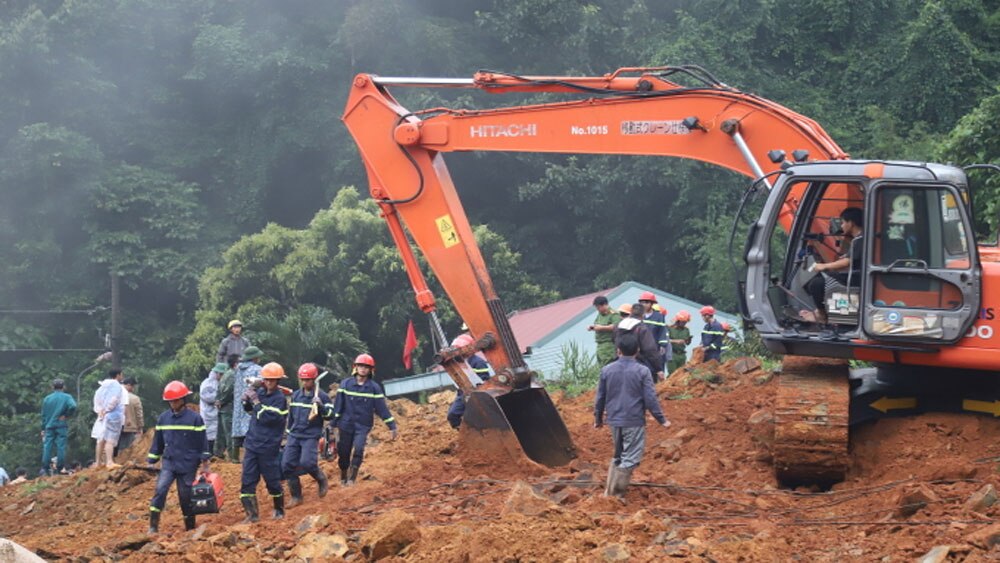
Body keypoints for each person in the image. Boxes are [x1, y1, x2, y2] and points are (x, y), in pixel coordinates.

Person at [594, 333, 669, 498]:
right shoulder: (643, 371)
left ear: (618, 350)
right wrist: (661, 419)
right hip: (633, 420)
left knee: (618, 455)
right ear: (637, 350)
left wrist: (598, 418)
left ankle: (608, 492)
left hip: (614, 420)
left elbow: (600, 397)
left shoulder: (606, 370)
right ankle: (616, 494)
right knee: (630, 457)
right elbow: (650, 398)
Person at [146, 380, 211, 534]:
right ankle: (153, 526)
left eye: (175, 400)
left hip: (188, 464)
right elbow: (158, 442)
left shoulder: (195, 419)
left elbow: (202, 442)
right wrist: (152, 460)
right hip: (169, 462)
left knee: (186, 496)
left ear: (183, 400)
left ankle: (189, 528)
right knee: (160, 490)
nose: (172, 404)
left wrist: (205, 463)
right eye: (170, 401)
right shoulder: (163, 419)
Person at [333, 354, 398, 486]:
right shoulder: (345, 384)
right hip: (346, 424)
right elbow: (338, 406)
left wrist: (391, 425)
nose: (363, 369)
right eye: (360, 366)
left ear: (371, 370)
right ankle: (344, 474)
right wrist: (332, 424)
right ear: (355, 367)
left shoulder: (374, 388)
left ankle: (352, 478)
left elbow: (381, 408)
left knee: (358, 449)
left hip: (363, 425)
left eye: (366, 367)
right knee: (343, 452)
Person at [239, 362, 289, 522]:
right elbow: (250, 411)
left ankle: (279, 510)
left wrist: (256, 402)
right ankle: (251, 515)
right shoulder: (260, 393)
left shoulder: (279, 399)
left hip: (268, 447)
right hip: (253, 443)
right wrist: (247, 400)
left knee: (272, 480)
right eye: (266, 379)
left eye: (272, 380)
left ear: (278, 381)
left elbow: (269, 418)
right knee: (247, 480)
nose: (268, 383)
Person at [282, 362, 334, 507]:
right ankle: (296, 496)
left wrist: (321, 406)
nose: (305, 383)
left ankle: (321, 478)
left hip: (310, 435)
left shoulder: (322, 396)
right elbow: (291, 415)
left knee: (308, 463)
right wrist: (288, 432)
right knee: (286, 465)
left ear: (314, 379)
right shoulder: (296, 396)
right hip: (295, 434)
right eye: (303, 380)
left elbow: (330, 415)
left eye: (308, 380)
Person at [803, 207, 865, 325]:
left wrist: (824, 266)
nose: (841, 227)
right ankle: (822, 310)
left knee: (816, 284)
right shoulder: (860, 239)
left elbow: (847, 262)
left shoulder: (860, 240)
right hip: (859, 276)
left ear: (851, 223)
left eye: (842, 223)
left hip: (857, 278)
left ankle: (822, 314)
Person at [446, 335, 493, 429]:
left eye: (459, 349)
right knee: (453, 415)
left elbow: (484, 379)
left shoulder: (478, 362)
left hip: (479, 392)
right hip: (462, 393)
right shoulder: (457, 363)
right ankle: (465, 433)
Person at [614, 304, 664, 381]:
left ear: (630, 313)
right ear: (643, 315)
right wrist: (658, 369)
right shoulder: (641, 328)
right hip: (638, 364)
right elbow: (650, 350)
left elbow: (614, 341)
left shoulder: (618, 326)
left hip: (619, 363)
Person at [232, 346, 264, 462]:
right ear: (255, 358)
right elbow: (262, 383)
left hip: (238, 403)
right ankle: (248, 458)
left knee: (237, 429)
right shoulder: (257, 369)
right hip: (250, 402)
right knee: (250, 429)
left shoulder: (238, 369)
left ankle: (234, 458)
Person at [40, 378, 77, 475]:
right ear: (63, 387)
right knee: (60, 446)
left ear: (52, 387)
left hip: (49, 425)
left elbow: (43, 415)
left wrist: (43, 428)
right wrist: (66, 415)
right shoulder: (67, 397)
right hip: (61, 425)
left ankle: (45, 468)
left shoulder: (47, 399)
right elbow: (73, 406)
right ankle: (60, 467)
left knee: (47, 446)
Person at [93, 369, 126, 468]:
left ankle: (98, 462)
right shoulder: (116, 386)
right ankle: (109, 462)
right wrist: (107, 409)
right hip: (113, 414)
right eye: (121, 374)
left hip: (102, 415)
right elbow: (114, 399)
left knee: (101, 439)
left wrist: (100, 410)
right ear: (118, 375)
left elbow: (96, 399)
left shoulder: (103, 386)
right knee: (110, 439)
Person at [216, 354, 239, 459]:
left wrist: (218, 400)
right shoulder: (232, 375)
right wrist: (222, 400)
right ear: (235, 364)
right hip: (228, 408)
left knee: (221, 433)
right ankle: (232, 456)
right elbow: (229, 390)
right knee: (229, 433)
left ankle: (218, 453)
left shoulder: (226, 374)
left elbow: (219, 388)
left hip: (223, 407)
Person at [200, 363, 226, 455]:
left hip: (216, 414)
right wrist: (217, 399)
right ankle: (209, 454)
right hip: (208, 414)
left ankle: (218, 453)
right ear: (218, 373)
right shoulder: (207, 383)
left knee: (217, 435)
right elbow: (205, 395)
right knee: (208, 436)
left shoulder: (220, 383)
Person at [638, 292, 670, 366]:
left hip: (653, 348)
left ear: (652, 303)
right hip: (639, 349)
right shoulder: (637, 315)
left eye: (646, 302)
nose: (644, 305)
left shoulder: (659, 317)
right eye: (642, 302)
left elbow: (662, 331)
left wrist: (663, 345)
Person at [588, 296, 621, 366]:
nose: (598, 309)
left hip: (609, 345)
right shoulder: (600, 315)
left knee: (608, 365)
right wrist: (593, 327)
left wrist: (602, 328)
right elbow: (597, 324)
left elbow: (616, 326)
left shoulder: (613, 314)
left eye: (598, 307)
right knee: (602, 367)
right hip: (600, 345)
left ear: (604, 305)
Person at [119, 377, 144, 452]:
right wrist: (140, 427)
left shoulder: (115, 395)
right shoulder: (134, 398)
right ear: (129, 385)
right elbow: (139, 414)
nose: (134, 388)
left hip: (114, 426)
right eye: (133, 386)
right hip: (128, 427)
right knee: (126, 448)